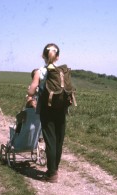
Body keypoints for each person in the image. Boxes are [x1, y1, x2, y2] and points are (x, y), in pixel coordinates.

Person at [27, 43, 66, 183]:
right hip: (61, 109)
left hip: (46, 109)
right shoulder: (62, 72)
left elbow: (31, 91)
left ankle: (52, 173)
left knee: (50, 140)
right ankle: (55, 168)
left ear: (43, 55)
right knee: (59, 140)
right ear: (58, 57)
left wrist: (32, 91)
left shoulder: (39, 72)